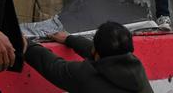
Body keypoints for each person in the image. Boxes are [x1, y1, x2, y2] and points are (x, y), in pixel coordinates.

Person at [24, 21, 154, 92]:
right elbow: (103, 55)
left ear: (96, 53)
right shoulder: (135, 68)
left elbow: (54, 67)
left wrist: (23, 43)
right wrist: (70, 39)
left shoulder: (87, 76)